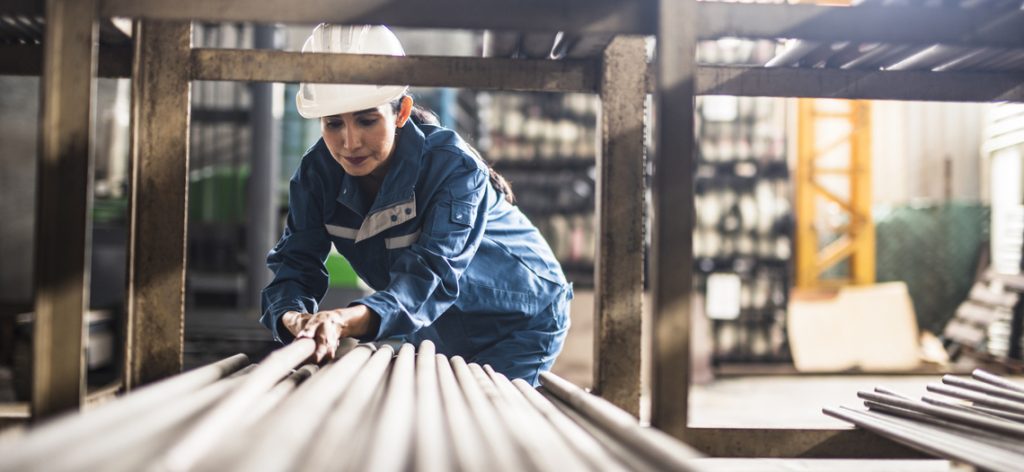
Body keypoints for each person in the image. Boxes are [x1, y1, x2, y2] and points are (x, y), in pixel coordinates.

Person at [260, 24, 572, 385]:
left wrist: (344, 320)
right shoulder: (317, 176)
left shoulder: (452, 167)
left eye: (366, 120)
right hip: (435, 323)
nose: (349, 142)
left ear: (401, 111)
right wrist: (295, 319)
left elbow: (431, 275)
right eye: (333, 124)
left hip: (521, 317)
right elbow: (295, 266)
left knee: (481, 424)